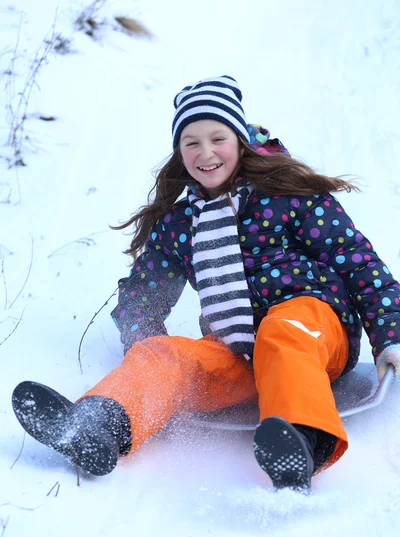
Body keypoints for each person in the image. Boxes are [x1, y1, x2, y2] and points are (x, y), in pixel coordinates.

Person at [12, 75, 400, 492]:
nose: (206, 152)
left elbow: (359, 265)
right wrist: (143, 345)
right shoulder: (181, 225)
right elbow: (142, 296)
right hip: (236, 348)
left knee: (282, 331)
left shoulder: (291, 196)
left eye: (218, 138)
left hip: (314, 331)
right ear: (180, 153)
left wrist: (390, 335)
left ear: (241, 140)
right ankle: (98, 426)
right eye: (191, 142)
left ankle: (302, 442)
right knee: (169, 355)